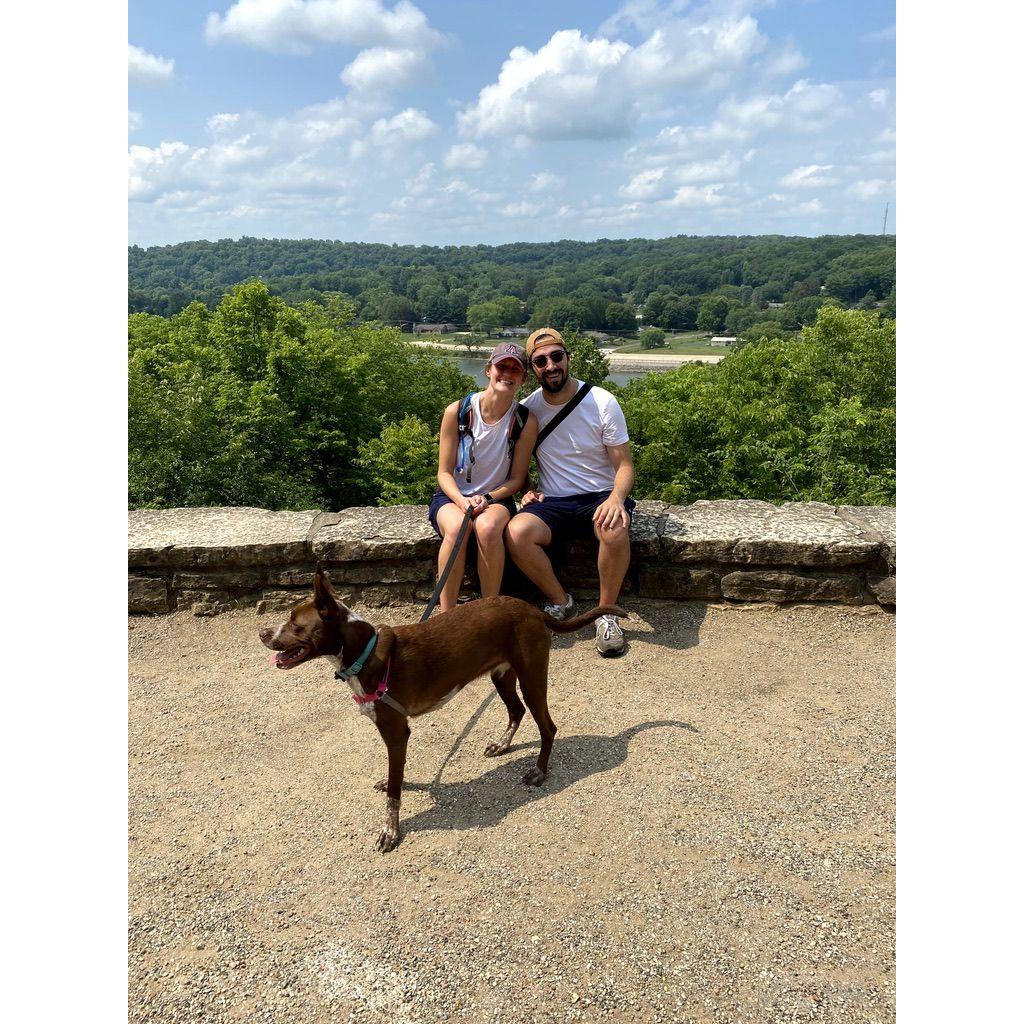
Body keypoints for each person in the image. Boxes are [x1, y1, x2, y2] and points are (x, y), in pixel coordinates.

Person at [505, 328, 636, 656]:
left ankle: (605, 614)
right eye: (540, 361)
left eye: (556, 357)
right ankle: (561, 601)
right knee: (516, 532)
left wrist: (616, 499)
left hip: (600, 494)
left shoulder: (602, 401)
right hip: (554, 500)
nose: (550, 366)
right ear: (533, 369)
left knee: (614, 527)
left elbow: (624, 466)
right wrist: (527, 490)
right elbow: (517, 465)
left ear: (568, 358)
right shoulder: (528, 410)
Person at [428, 342, 538, 613]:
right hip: (452, 496)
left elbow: (516, 480)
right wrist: (461, 501)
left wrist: (486, 498)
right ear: (488, 370)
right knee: (458, 529)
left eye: (515, 369)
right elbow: (443, 473)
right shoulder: (457, 411)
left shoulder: (525, 420)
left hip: (497, 497)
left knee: (488, 529)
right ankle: (446, 616)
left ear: (523, 379)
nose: (507, 374)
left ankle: (489, 613)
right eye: (502, 366)